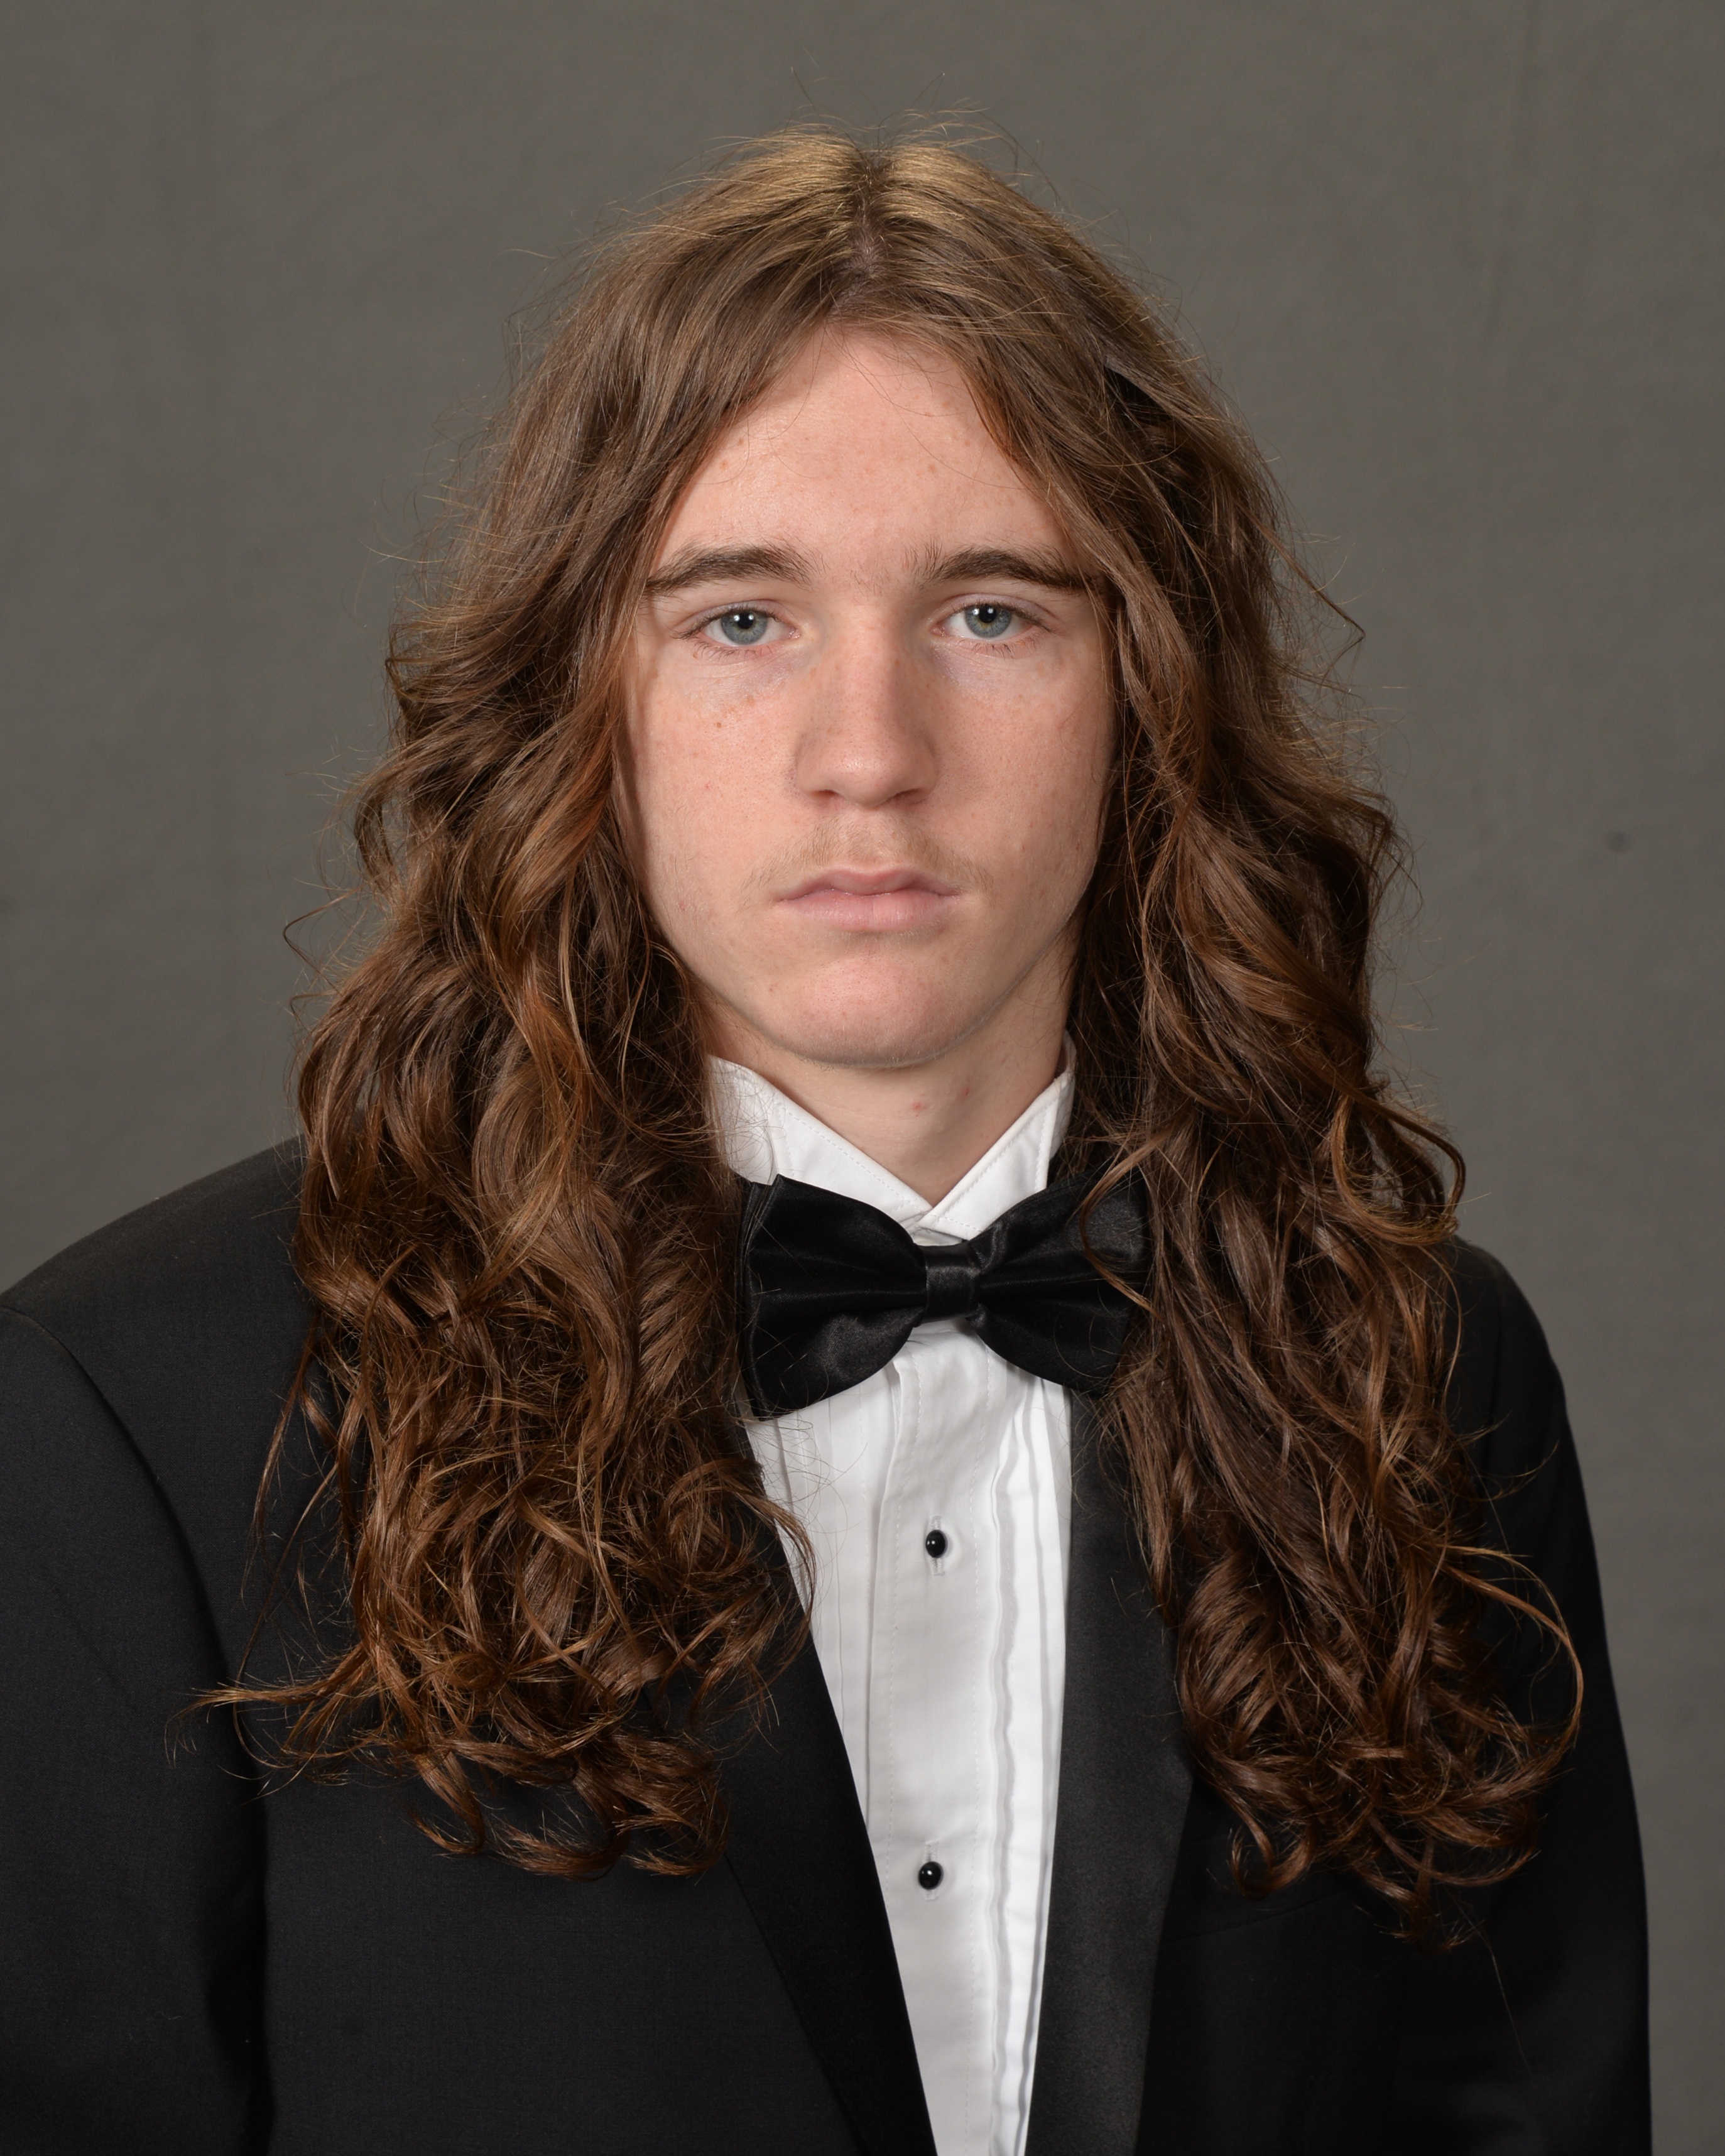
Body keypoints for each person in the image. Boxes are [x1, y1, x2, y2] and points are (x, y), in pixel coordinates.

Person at [0, 131, 1648, 2156]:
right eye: (739, 620)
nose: (868, 755)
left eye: (989, 612)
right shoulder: (139, 1411)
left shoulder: (1422, 1363)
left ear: (1149, 690)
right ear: (581, 695)